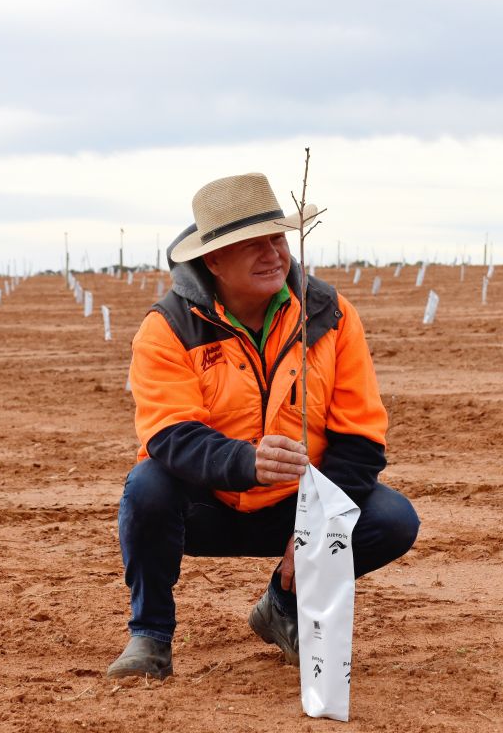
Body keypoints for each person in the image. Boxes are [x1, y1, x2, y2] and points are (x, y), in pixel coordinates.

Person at [106, 172, 419, 679]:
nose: (273, 253)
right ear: (213, 260)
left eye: (277, 238)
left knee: (392, 518)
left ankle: (281, 606)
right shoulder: (167, 328)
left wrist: (316, 527)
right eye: (252, 245)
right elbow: (170, 435)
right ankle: (150, 637)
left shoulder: (331, 316)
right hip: (207, 505)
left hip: (297, 504)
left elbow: (360, 437)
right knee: (147, 487)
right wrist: (245, 461)